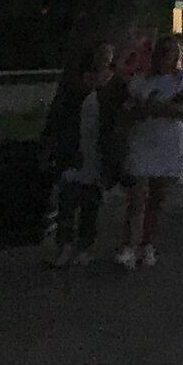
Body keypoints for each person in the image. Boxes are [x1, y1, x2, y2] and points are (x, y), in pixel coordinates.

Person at [115, 33, 183, 271]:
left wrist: (159, 107)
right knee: (137, 196)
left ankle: (147, 244)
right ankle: (129, 245)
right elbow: (128, 109)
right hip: (144, 139)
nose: (165, 58)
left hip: (168, 141)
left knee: (157, 199)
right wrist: (139, 111)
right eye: (162, 52)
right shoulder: (140, 81)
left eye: (171, 53)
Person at [43, 44, 116, 268]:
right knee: (68, 200)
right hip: (74, 150)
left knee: (90, 203)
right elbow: (60, 118)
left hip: (95, 150)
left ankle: (84, 246)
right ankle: (64, 245)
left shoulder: (111, 90)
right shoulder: (75, 88)